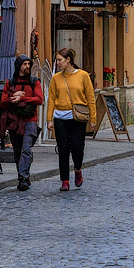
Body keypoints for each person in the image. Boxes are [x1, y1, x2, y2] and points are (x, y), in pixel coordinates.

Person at [47, 48, 97, 191]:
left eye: (59, 60)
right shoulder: (56, 78)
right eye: (57, 60)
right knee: (63, 149)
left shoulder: (83, 76)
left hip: (77, 117)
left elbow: (90, 98)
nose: (57, 63)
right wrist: (49, 119)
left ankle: (77, 169)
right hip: (60, 117)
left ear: (68, 60)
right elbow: (51, 99)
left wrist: (93, 118)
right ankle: (65, 180)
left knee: (77, 147)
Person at [0, 54, 44, 191]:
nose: (27, 67)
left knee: (26, 149)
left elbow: (39, 99)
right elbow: (3, 102)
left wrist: (23, 99)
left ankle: (22, 178)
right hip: (15, 121)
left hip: (30, 120)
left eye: (28, 64)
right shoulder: (10, 83)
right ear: (19, 66)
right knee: (18, 152)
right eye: (25, 64)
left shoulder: (34, 81)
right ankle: (24, 175)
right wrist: (13, 97)